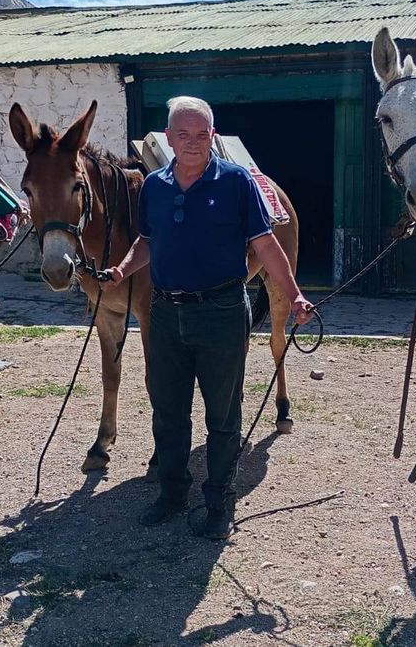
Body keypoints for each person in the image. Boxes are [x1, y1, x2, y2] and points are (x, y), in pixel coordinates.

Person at [100, 95, 313, 540]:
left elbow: (266, 244)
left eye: (201, 134)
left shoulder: (236, 182)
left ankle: (219, 502)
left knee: (223, 415)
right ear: (169, 138)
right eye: (184, 134)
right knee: (168, 411)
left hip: (221, 312)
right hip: (165, 314)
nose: (193, 142)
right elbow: (147, 241)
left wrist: (294, 294)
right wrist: (122, 269)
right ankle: (172, 493)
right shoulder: (155, 186)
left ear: (212, 137)